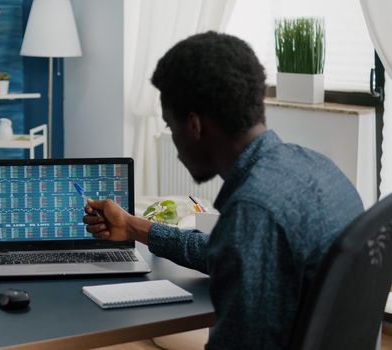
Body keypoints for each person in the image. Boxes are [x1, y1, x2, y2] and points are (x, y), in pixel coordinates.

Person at [83, 32, 364, 349]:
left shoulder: (254, 210)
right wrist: (134, 226)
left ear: (194, 125)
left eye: (170, 126)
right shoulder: (319, 168)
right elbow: (225, 252)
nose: (174, 143)